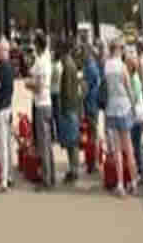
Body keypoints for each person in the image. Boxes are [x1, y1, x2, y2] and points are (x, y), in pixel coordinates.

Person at [102, 38, 135, 196]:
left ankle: (120, 184)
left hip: (111, 108)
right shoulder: (122, 67)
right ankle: (133, 181)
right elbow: (128, 87)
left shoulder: (107, 66)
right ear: (119, 49)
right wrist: (134, 106)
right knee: (128, 148)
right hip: (124, 106)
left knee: (116, 150)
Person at [24, 32, 55, 190]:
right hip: (45, 104)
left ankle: (47, 179)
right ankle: (51, 175)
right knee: (47, 142)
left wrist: (28, 84)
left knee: (43, 143)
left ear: (38, 45)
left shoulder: (42, 62)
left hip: (42, 104)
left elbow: (39, 85)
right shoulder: (43, 60)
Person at [0, 37, 14, 194]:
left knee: (2, 145)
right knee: (8, 143)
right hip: (8, 107)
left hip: (0, 108)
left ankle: (4, 181)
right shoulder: (11, 67)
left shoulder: (0, 68)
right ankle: (9, 175)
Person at [58, 42, 82, 183]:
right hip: (73, 107)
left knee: (71, 142)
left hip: (69, 108)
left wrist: (64, 109)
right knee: (73, 141)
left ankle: (74, 170)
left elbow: (66, 90)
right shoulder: (71, 64)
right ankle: (74, 169)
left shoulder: (67, 66)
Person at [126, 49, 143, 188]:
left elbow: (133, 99)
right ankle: (142, 171)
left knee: (136, 145)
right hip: (139, 114)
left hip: (137, 115)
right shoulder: (135, 78)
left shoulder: (133, 79)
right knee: (137, 144)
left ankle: (142, 172)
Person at [82, 41, 103, 149]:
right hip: (93, 101)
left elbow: (85, 87)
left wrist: (81, 98)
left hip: (91, 102)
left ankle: (94, 159)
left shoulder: (90, 67)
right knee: (93, 130)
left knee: (92, 131)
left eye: (84, 51)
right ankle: (94, 156)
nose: (82, 54)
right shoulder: (94, 65)